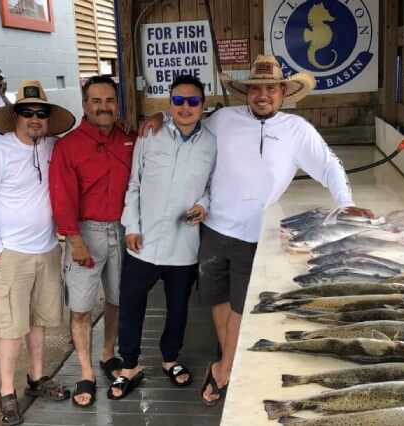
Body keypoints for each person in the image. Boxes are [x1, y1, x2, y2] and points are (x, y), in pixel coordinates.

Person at [141, 55, 374, 406]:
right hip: (214, 228)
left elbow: (329, 165)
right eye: (255, 89)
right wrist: (157, 116)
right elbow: (186, 125)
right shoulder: (222, 119)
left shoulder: (297, 130)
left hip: (256, 235)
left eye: (270, 88)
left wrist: (344, 202)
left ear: (283, 92)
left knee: (239, 304)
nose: (262, 95)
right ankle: (229, 357)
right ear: (246, 93)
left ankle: (224, 370)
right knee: (215, 299)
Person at [0, 80, 75, 426]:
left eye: (41, 113)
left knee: (40, 320)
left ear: (47, 118)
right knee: (11, 327)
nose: (34, 118)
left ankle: (37, 378)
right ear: (15, 115)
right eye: (26, 112)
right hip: (11, 253)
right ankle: (7, 392)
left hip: (47, 250)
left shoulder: (53, 146)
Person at [108, 75, 216, 400]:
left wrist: (203, 204)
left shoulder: (212, 142)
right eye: (179, 101)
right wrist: (132, 226)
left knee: (178, 308)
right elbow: (134, 184)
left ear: (203, 105)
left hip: (184, 245)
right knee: (131, 305)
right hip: (143, 242)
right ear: (169, 104)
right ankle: (129, 366)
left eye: (193, 101)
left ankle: (171, 360)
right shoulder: (150, 134)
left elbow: (213, 186)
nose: (185, 107)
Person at [49, 75, 137, 407]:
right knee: (81, 308)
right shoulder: (68, 145)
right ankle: (85, 372)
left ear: (118, 104)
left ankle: (107, 353)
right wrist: (74, 238)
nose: (103, 107)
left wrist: (154, 119)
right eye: (96, 101)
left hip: (121, 230)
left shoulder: (129, 136)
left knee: (116, 300)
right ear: (85, 106)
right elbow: (61, 196)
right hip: (84, 233)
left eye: (109, 101)